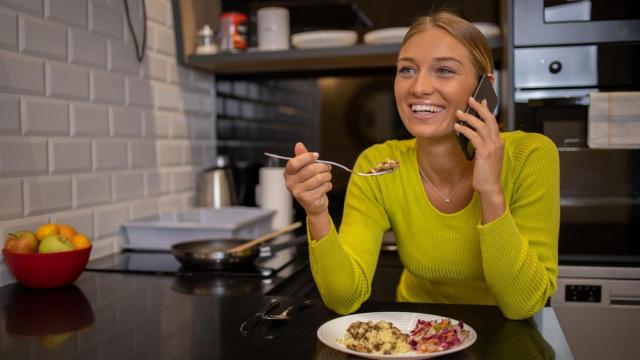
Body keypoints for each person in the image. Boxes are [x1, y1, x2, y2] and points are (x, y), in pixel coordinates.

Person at [283, 10, 559, 320]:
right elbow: (344, 298)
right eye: (407, 70)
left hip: (506, 336)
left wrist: (491, 191)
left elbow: (523, 305)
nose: (419, 87)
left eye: (443, 70)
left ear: (485, 87)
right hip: (417, 335)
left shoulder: (531, 155)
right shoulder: (378, 163)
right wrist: (317, 212)